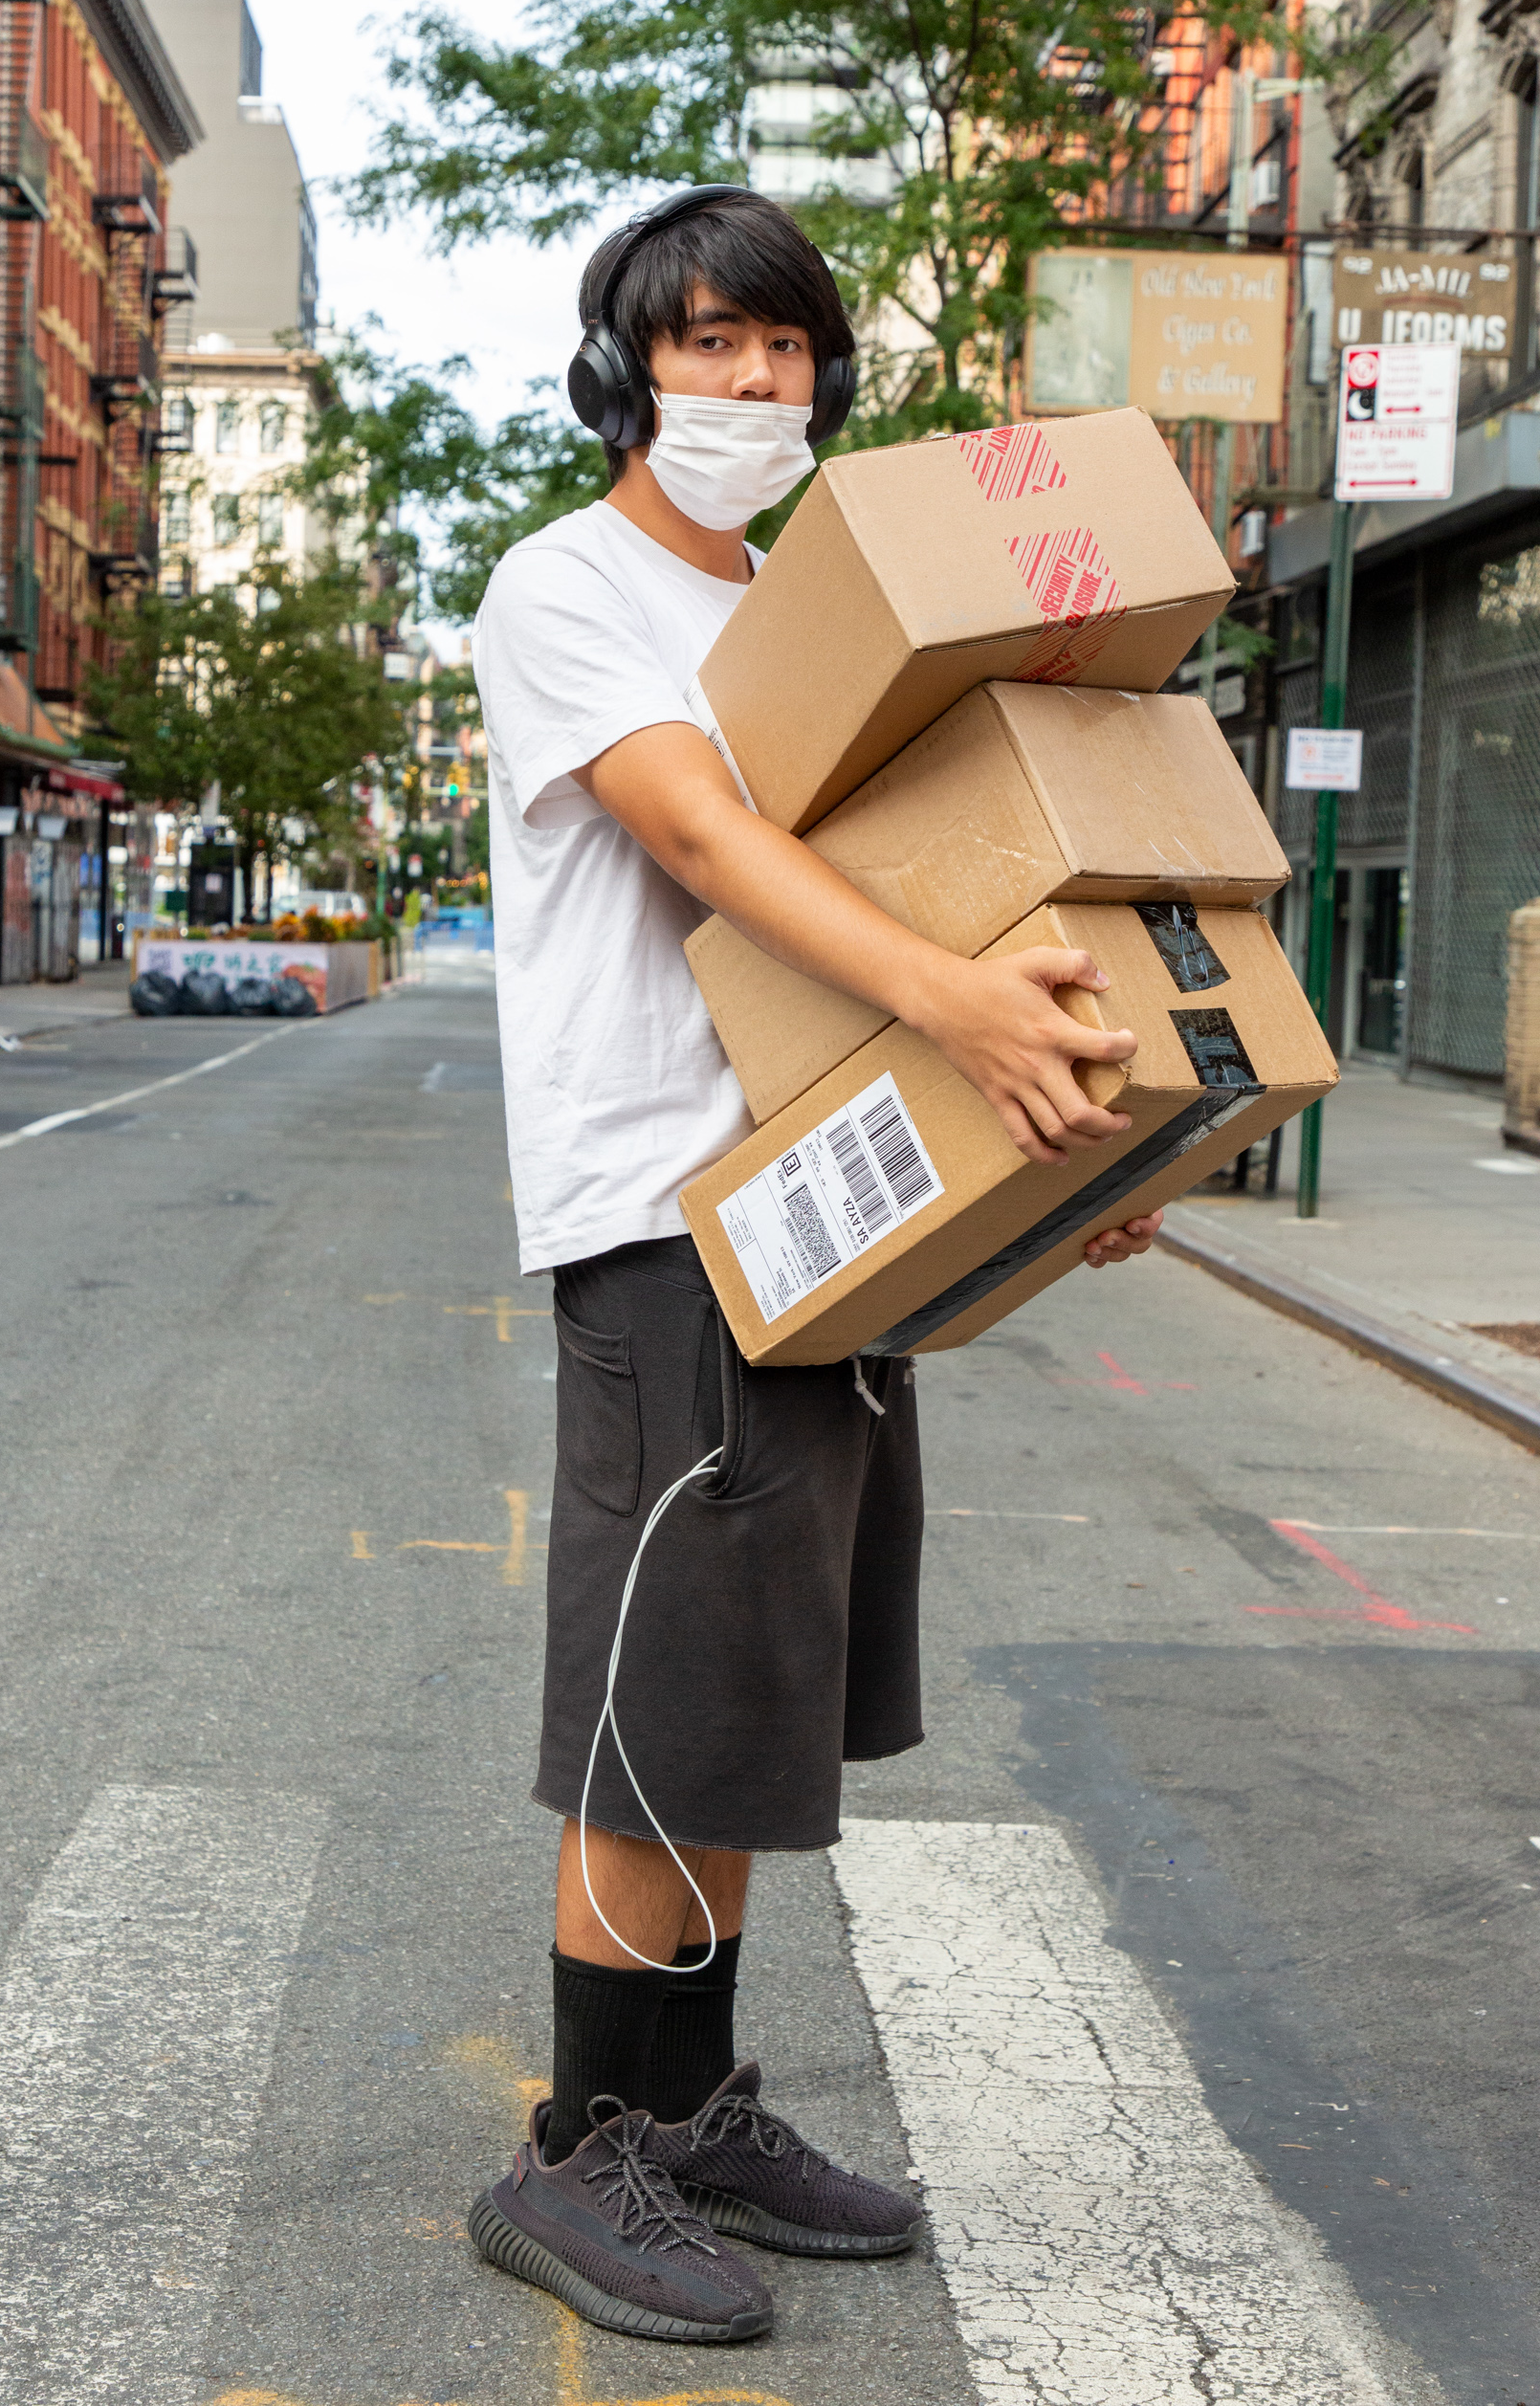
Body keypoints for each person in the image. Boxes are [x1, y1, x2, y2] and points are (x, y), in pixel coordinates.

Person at [469, 186, 1165, 2346]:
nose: (749, 387)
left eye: (783, 353)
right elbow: (709, 843)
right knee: (649, 1694)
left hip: (824, 1205)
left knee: (757, 1684)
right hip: (662, 1211)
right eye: (705, 347)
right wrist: (965, 1011)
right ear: (623, 371)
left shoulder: (806, 610)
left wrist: (1062, 1138)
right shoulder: (563, 590)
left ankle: (691, 2108)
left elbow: (928, 879)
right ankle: (577, 2147)